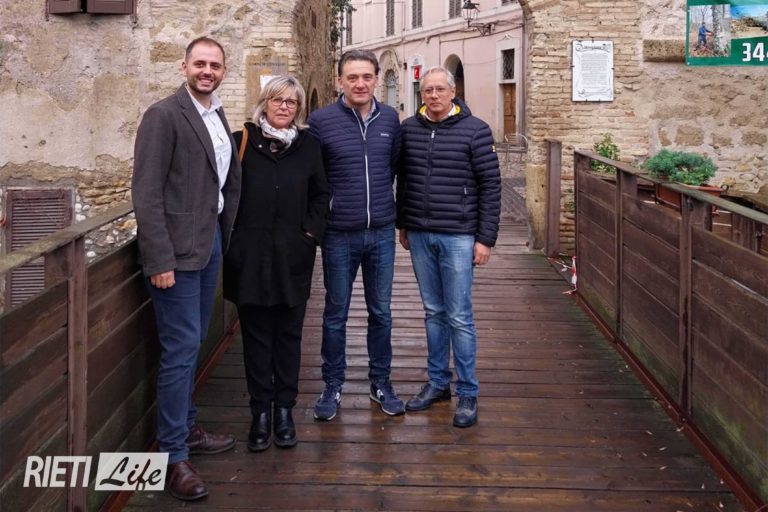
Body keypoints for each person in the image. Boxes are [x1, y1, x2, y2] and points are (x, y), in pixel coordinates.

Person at [132, 36, 241, 501]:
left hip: (208, 242)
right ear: (184, 67)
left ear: (223, 71)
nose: (207, 71)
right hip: (174, 254)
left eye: (215, 65)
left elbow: (219, 181)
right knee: (180, 349)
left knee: (193, 342)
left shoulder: (216, 113)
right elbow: (146, 192)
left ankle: (188, 428)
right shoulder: (163, 115)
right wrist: (158, 259)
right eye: (200, 63)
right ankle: (173, 456)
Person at [223, 76, 328, 452]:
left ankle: (284, 409)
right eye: (277, 100)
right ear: (264, 103)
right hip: (249, 258)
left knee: (288, 336)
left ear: (298, 109)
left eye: (291, 102)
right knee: (255, 338)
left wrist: (309, 235)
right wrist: (232, 241)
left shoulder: (309, 146)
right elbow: (222, 194)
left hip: (292, 258)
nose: (284, 106)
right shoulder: (240, 142)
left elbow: (321, 195)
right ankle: (260, 412)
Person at [397, 66, 501, 428]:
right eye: (428, 90)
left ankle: (468, 391)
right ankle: (438, 382)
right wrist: (403, 222)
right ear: (421, 94)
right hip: (421, 234)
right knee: (433, 312)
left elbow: (491, 186)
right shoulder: (409, 129)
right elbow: (403, 179)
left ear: (453, 92)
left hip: (459, 234)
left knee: (459, 315)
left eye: (440, 89)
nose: (434, 95)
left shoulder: (475, 130)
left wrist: (485, 239)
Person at [307, 50, 404, 421]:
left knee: (381, 312)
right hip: (338, 234)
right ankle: (332, 384)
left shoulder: (390, 118)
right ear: (340, 81)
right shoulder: (321, 121)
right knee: (336, 313)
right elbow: (315, 177)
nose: (360, 84)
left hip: (381, 232)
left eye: (366, 77)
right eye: (352, 77)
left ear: (376, 79)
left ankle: (381, 382)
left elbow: (392, 167)